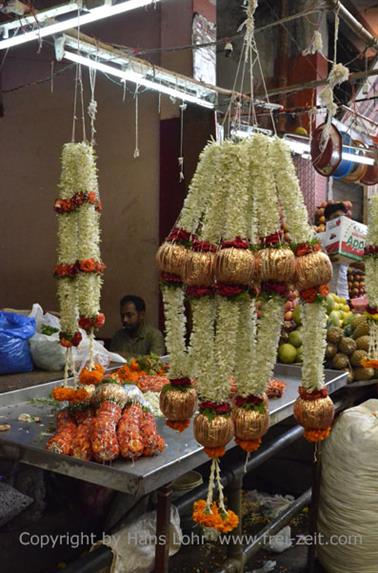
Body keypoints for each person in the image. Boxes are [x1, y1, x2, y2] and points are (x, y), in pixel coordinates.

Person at [324, 202, 349, 300]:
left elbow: (357, 263)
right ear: (327, 220)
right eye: (336, 216)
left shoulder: (346, 241)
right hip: (325, 295)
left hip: (343, 295)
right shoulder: (318, 240)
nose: (340, 221)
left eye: (343, 218)